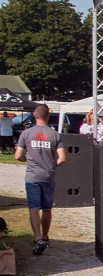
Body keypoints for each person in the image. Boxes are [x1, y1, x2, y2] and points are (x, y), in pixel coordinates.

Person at [14, 103, 66, 255]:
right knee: (47, 208)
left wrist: (26, 160)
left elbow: (18, 155)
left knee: (34, 208)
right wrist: (52, 165)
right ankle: (45, 236)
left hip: (32, 175)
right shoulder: (55, 134)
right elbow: (62, 158)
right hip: (48, 175)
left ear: (35, 116)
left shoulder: (26, 133)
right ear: (48, 116)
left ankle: (37, 238)